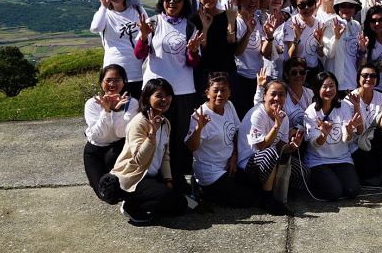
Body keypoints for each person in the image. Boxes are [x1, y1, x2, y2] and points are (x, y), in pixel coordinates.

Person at [134, 0, 202, 183]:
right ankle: (151, 177)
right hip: (155, 91)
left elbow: (193, 63)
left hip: (182, 90)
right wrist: (144, 36)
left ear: (184, 3)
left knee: (179, 137)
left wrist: (193, 50)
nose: (172, 1)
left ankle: (177, 178)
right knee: (153, 133)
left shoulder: (190, 27)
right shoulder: (152, 23)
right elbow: (139, 54)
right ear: (161, 2)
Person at [110, 78, 192, 224]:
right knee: (165, 197)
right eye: (159, 95)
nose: (164, 99)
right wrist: (151, 134)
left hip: (154, 176)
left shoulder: (165, 122)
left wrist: (168, 180)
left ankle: (153, 199)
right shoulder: (139, 122)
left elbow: (165, 156)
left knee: (181, 204)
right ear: (148, 98)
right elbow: (139, 159)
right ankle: (130, 204)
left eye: (167, 95)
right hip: (136, 177)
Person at [185, 73, 256, 207]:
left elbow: (235, 132)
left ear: (229, 92)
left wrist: (234, 155)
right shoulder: (199, 115)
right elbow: (191, 147)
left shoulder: (228, 105)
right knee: (248, 200)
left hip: (228, 165)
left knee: (255, 185)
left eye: (223, 90)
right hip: (210, 172)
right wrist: (199, 129)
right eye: (215, 90)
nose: (219, 94)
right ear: (207, 93)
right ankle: (202, 190)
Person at [237, 79, 305, 215]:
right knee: (270, 153)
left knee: (303, 172)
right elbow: (262, 145)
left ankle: (276, 191)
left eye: (281, 95)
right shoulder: (257, 114)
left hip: (270, 160)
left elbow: (280, 145)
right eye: (273, 94)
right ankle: (267, 198)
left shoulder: (283, 116)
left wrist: (291, 146)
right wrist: (276, 126)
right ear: (264, 96)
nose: (277, 98)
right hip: (249, 164)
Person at [302, 71, 364, 201]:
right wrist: (323, 135)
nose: (329, 89)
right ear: (317, 89)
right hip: (318, 161)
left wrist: (348, 131)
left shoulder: (344, 107)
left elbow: (346, 139)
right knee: (334, 193)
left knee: (352, 191)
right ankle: (314, 181)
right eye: (324, 86)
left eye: (332, 85)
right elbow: (314, 145)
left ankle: (332, 179)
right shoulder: (311, 112)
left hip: (342, 158)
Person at [84, 64, 139, 201]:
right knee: (106, 196)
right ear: (101, 82)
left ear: (124, 82)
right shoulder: (92, 104)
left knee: (117, 193)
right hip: (95, 151)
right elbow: (98, 135)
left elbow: (122, 133)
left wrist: (117, 111)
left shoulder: (131, 103)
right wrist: (106, 112)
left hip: (117, 150)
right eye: (108, 80)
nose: (112, 84)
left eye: (117, 80)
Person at [91, 0, 146, 99]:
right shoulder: (104, 13)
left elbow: (148, 33)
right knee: (116, 111)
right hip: (113, 73)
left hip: (138, 70)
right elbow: (95, 28)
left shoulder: (137, 10)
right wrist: (103, 6)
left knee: (137, 111)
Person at [231, 0, 276, 117]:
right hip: (240, 76)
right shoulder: (234, 22)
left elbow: (264, 52)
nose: (253, 1)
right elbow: (237, 51)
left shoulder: (258, 21)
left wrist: (269, 37)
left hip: (257, 78)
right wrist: (248, 32)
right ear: (240, 0)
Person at [350, 62, 382, 185]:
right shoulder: (350, 99)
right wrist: (356, 106)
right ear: (358, 78)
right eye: (365, 76)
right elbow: (358, 133)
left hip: (376, 144)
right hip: (357, 147)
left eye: (373, 76)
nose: (369, 79)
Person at [191, 0, 238, 95]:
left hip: (227, 71)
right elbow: (202, 50)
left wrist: (231, 22)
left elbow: (232, 47)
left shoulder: (228, 16)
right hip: (204, 73)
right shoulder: (194, 20)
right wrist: (205, 28)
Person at [322, 0, 364, 90]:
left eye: (350, 6)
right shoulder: (330, 24)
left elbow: (357, 54)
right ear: (338, 8)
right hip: (336, 83)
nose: (346, 9)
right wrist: (336, 38)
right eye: (343, 6)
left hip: (353, 81)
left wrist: (363, 48)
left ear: (355, 9)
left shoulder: (356, 25)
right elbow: (328, 53)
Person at [284, 0, 326, 77]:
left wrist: (320, 42)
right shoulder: (291, 23)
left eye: (310, 3)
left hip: (314, 70)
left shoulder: (319, 24)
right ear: (296, 7)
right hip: (298, 72)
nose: (307, 8)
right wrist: (297, 38)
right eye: (302, 5)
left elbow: (320, 54)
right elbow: (291, 55)